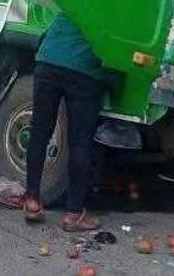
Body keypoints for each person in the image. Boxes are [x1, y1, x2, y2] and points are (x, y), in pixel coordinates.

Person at [22, 13, 118, 231]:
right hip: (85, 71)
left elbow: (44, 37)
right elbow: (115, 56)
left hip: (48, 61)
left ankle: (32, 201)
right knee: (80, 142)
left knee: (39, 132)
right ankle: (73, 214)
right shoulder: (115, 5)